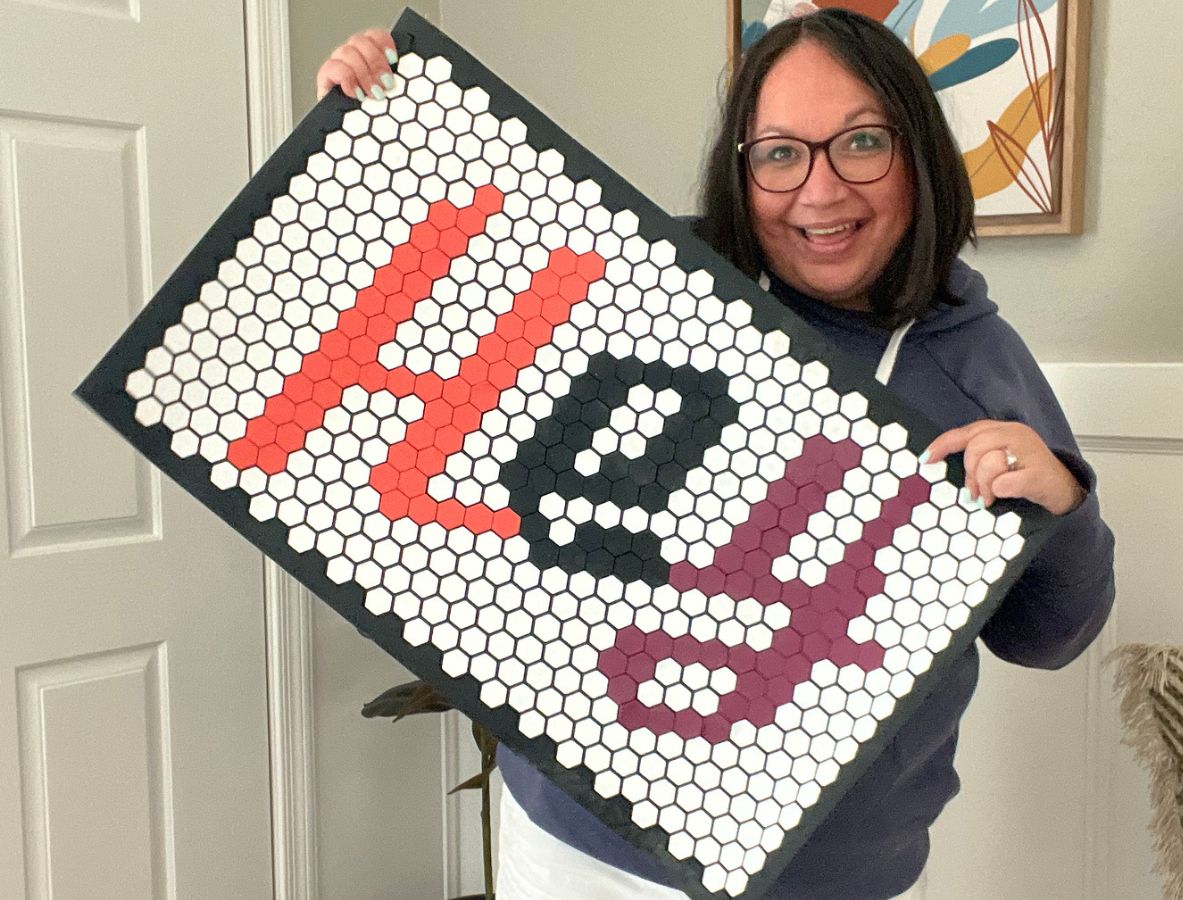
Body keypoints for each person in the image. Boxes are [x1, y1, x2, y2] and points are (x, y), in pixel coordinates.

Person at [317, 9, 1115, 898]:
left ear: (917, 153)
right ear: (742, 169)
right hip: (574, 841)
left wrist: (1065, 510)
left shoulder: (981, 372)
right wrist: (375, 129)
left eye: (860, 142)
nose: (819, 192)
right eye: (779, 153)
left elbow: (1045, 639)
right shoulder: (660, 273)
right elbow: (453, 330)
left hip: (832, 875)